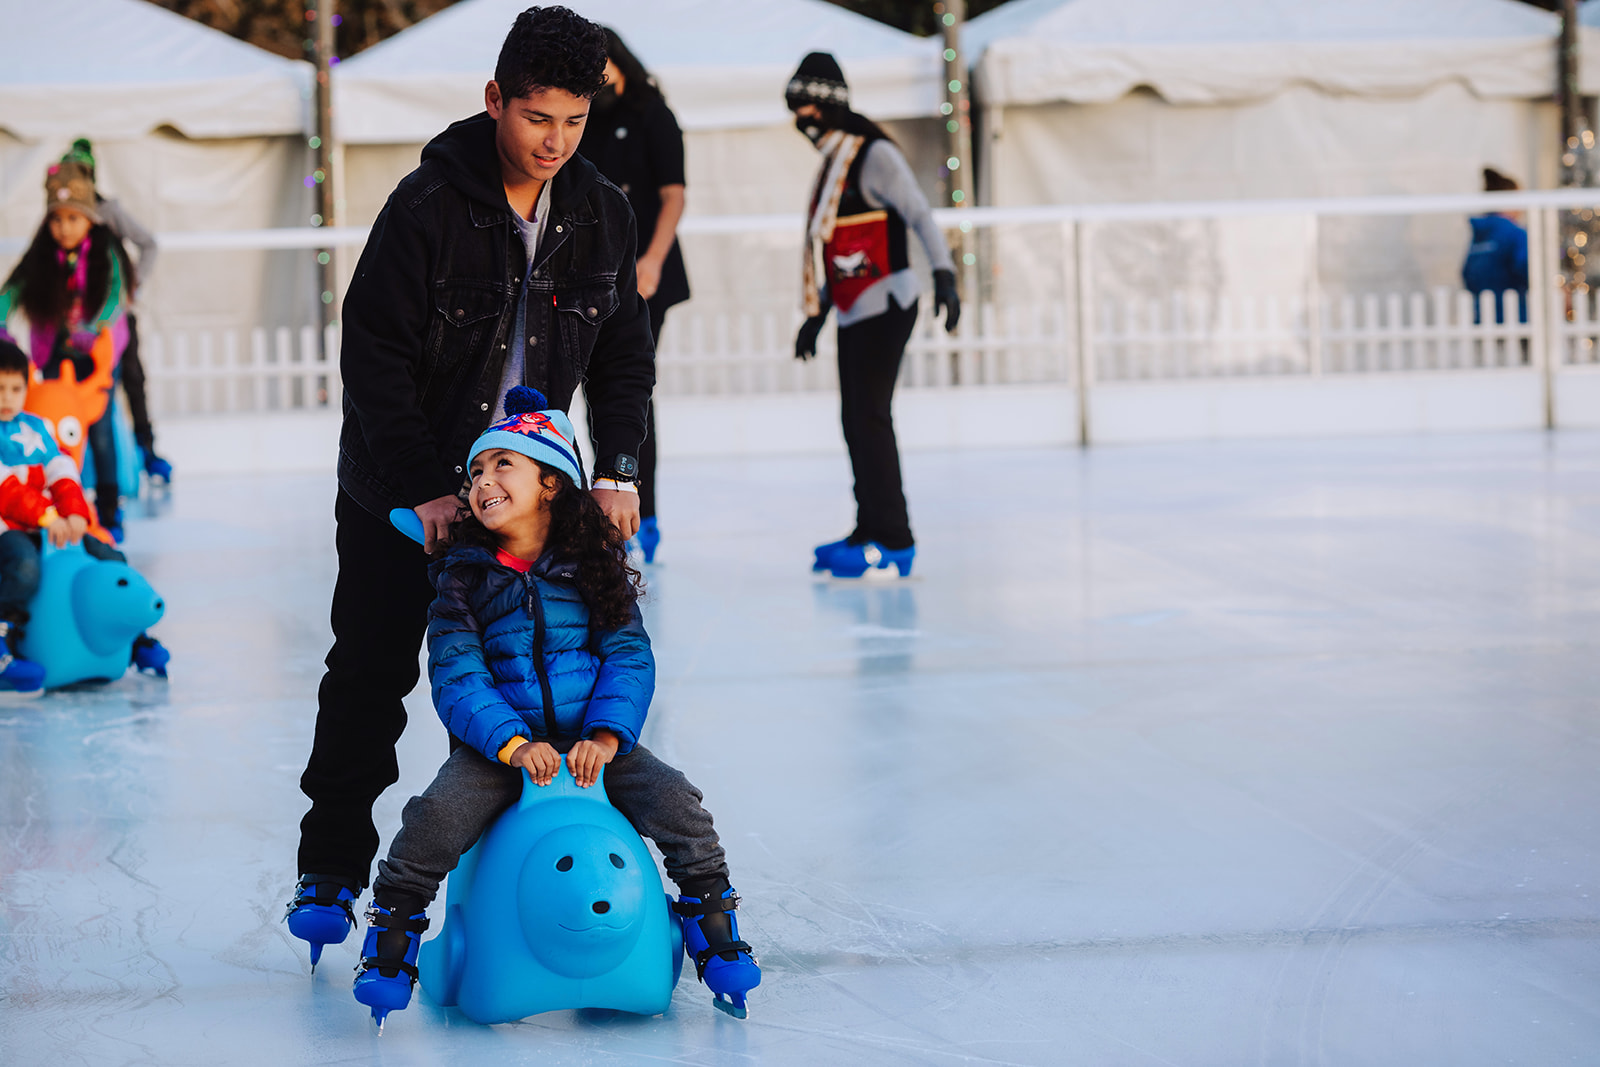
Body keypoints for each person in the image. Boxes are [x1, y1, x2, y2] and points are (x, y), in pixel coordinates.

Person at [287, 5, 656, 953]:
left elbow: (623, 358)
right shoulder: (427, 208)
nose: (555, 142)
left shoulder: (600, 210)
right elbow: (370, 358)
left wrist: (617, 469)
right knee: (372, 670)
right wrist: (424, 486)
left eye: (574, 121)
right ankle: (330, 868)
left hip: (528, 501)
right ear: (496, 100)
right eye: (539, 118)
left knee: (548, 669)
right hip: (398, 489)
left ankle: (546, 869)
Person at [348, 387, 759, 1025]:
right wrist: (512, 743)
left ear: (549, 483)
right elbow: (458, 673)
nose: (482, 481)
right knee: (433, 818)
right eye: (475, 472)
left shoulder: (590, 566)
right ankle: (393, 935)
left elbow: (628, 656)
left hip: (593, 744)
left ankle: (711, 919)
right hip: (499, 752)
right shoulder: (464, 576)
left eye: (501, 465)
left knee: (679, 802)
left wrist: (606, 737)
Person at [786, 52, 960, 580]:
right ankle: (869, 526)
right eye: (797, 110)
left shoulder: (874, 154)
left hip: (887, 302)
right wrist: (816, 317)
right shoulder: (834, 161)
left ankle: (895, 538)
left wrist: (945, 274)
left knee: (870, 418)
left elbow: (919, 214)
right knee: (854, 419)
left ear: (832, 106)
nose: (803, 120)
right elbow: (830, 242)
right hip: (853, 307)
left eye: (810, 108)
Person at [578, 28, 689, 564]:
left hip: (645, 272)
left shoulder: (652, 113)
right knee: (584, 390)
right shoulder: (583, 117)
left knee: (628, 386)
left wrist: (653, 260)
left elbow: (674, 195)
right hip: (589, 274)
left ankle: (644, 510)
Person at [0, 339, 168, 689]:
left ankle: (133, 633)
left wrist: (75, 512)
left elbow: (60, 470)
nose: (7, 398)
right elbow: (7, 491)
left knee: (109, 555)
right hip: (10, 529)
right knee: (24, 566)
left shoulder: (36, 428)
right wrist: (48, 517)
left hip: (54, 527)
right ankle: (5, 638)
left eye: (15, 388)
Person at [0, 160, 134, 540]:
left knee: (101, 427)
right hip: (57, 355)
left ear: (89, 219)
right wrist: (4, 332)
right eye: (57, 220)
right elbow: (8, 296)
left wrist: (93, 328)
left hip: (95, 356)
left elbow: (114, 296)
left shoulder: (104, 252)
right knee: (48, 425)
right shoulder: (41, 257)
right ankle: (56, 501)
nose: (64, 228)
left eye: (74, 219)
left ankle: (108, 508)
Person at [58, 139, 172, 482]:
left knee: (132, 382)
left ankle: (147, 451)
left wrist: (131, 288)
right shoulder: (59, 218)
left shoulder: (107, 212)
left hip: (115, 319)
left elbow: (148, 243)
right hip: (77, 324)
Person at [1463, 167, 1529, 328]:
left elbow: (1468, 273)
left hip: (1484, 319)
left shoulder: (1480, 234)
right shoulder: (1515, 233)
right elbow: (1528, 269)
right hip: (1517, 319)